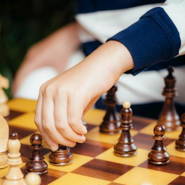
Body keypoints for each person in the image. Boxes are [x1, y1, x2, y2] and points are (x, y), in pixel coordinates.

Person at [13, 0, 185, 151]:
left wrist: (108, 60)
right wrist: (76, 32)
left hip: (165, 122)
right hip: (98, 123)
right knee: (34, 86)